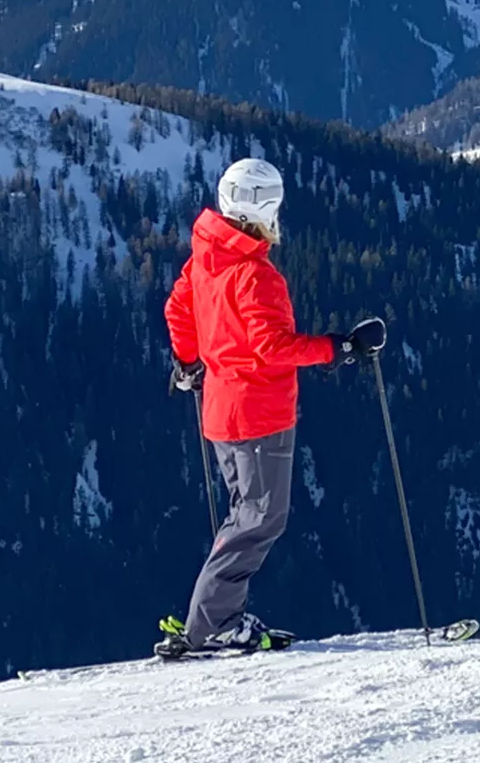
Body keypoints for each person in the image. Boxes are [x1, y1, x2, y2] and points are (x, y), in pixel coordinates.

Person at [158, 157, 387, 656]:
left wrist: (189, 363)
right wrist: (338, 348)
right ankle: (212, 623)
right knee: (261, 518)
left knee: (246, 515)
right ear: (264, 208)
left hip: (221, 411)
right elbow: (272, 347)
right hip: (259, 414)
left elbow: (178, 308)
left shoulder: (206, 257)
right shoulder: (255, 275)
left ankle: (216, 617)